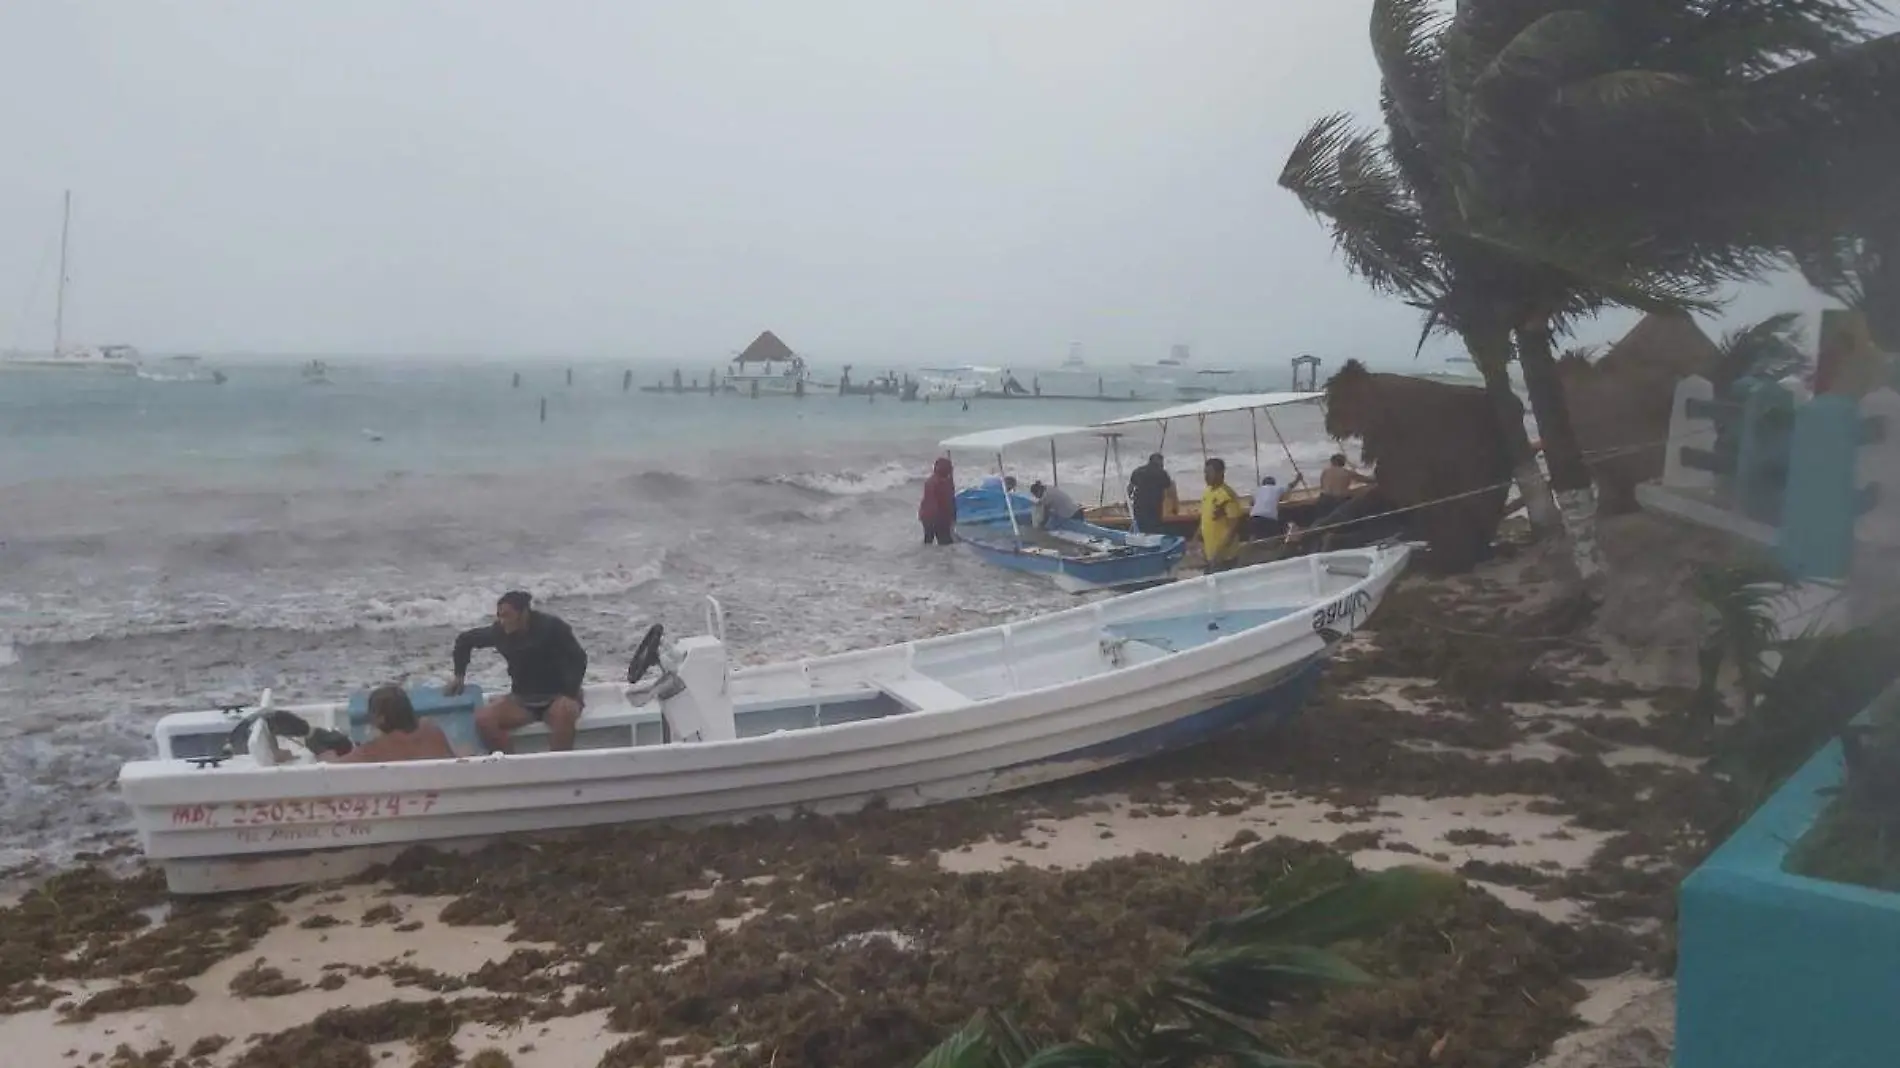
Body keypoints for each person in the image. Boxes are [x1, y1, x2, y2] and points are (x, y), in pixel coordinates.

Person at [445, 591, 589, 753]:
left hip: (558, 697)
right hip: (523, 700)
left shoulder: (552, 627)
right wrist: (459, 675)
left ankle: (557, 767)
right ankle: (511, 764)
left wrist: (570, 692)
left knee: (564, 714)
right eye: (499, 616)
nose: (502, 621)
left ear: (524, 613)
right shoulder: (500, 632)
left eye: (507, 615)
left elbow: (578, 658)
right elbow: (465, 640)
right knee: (483, 719)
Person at [320, 685, 457, 764]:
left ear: (381, 718)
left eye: (372, 713)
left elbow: (334, 768)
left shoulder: (374, 749)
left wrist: (326, 754)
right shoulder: (432, 730)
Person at [1199, 458, 1245, 572]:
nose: (1206, 476)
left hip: (1224, 556)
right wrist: (1197, 540)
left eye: (1209, 473)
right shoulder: (1207, 491)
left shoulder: (1227, 495)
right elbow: (1205, 518)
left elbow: (1233, 526)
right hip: (1210, 553)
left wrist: (1220, 552)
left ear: (1220, 473)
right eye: (1205, 472)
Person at [1127, 453, 1174, 534]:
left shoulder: (1138, 471)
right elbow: (1169, 491)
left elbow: (1130, 488)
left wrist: (1127, 501)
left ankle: (1140, 540)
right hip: (1154, 505)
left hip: (1139, 504)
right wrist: (1173, 508)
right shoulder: (1162, 473)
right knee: (1154, 528)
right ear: (1160, 462)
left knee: (1141, 526)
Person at [919, 457, 957, 546]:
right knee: (945, 543)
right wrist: (950, 519)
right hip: (936, 518)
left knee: (929, 542)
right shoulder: (937, 483)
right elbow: (947, 503)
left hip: (928, 517)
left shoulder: (934, 481)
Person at [1248, 475, 1287, 540]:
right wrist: (1298, 479)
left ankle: (1252, 541)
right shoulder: (1277, 488)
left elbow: (1251, 503)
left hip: (1254, 518)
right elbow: (1290, 486)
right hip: (1270, 519)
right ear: (1274, 484)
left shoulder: (1257, 490)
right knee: (1272, 537)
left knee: (1255, 534)